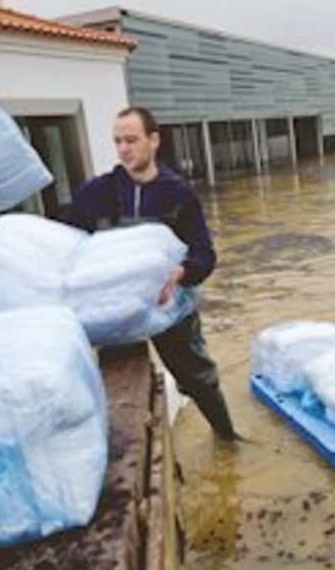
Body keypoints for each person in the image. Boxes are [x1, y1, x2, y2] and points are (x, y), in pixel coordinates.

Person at [61, 106, 240, 442]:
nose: (124, 149)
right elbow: (68, 245)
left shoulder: (178, 193)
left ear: (154, 140)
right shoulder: (95, 193)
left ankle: (227, 438)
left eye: (131, 139)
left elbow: (205, 253)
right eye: (118, 142)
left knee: (196, 376)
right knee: (115, 386)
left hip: (169, 307)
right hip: (115, 312)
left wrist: (182, 271)